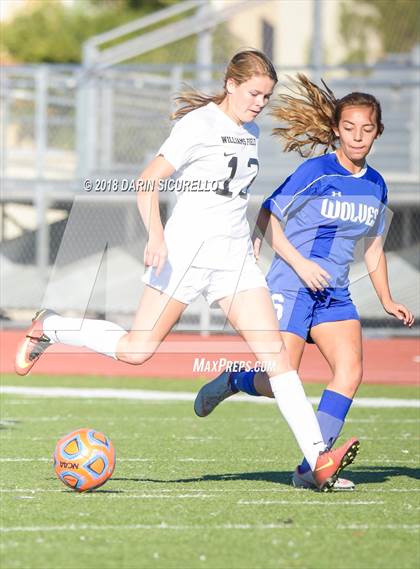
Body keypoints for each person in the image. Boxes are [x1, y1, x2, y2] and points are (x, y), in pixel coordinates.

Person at [15, 52, 359, 492]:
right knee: (137, 351)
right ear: (231, 84)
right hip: (184, 256)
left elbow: (229, 196)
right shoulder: (198, 124)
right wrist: (156, 235)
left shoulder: (249, 131)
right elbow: (148, 180)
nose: (259, 103)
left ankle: (317, 461)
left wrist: (248, 235)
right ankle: (52, 327)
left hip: (233, 262)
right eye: (254, 93)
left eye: (266, 97)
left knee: (276, 359)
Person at [194, 73, 414, 491]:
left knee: (349, 372)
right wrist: (299, 263)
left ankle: (311, 468)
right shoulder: (316, 171)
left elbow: (372, 249)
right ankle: (234, 380)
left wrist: (386, 298)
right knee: (283, 379)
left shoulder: (376, 184)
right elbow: (266, 216)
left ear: (378, 132)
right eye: (349, 128)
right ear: (336, 130)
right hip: (292, 284)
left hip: (334, 294)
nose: (357, 136)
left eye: (367, 129)